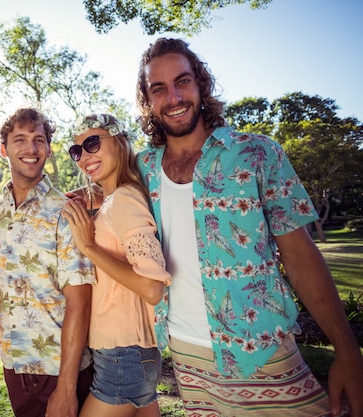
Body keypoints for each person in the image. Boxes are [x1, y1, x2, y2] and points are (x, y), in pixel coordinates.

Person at [135, 37, 363, 416]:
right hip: (185, 354)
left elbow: (300, 254)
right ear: (148, 100)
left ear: (201, 84)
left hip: (261, 351)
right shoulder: (140, 169)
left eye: (183, 81)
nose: (173, 97)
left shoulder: (257, 152)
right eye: (158, 88)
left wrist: (347, 349)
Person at [0, 107, 96, 417]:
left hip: (61, 369)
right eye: (20, 139)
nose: (31, 149)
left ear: (48, 149)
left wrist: (66, 388)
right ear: (4, 149)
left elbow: (80, 303)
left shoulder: (66, 212)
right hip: (14, 364)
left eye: (39, 140)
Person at [62, 113, 172, 417]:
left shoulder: (124, 198)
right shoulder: (112, 199)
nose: (84, 156)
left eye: (92, 143)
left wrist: (88, 246)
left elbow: (152, 289)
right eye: (77, 151)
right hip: (129, 354)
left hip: (124, 356)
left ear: (120, 141)